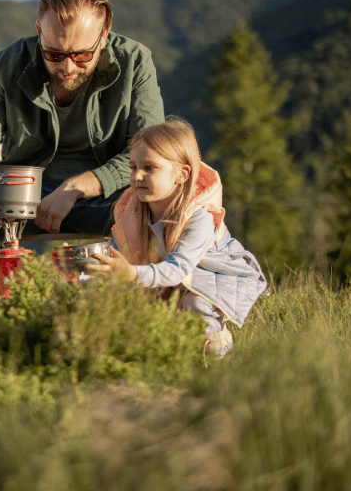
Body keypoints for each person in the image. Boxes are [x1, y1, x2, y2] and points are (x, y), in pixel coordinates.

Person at [0, 0, 164, 284]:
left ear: (103, 34)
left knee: (162, 196)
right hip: (24, 199)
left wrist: (78, 186)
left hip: (109, 200)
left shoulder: (135, 61)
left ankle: (143, 298)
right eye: (53, 54)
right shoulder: (5, 67)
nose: (67, 68)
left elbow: (150, 150)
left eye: (81, 56)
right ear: (39, 30)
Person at [89, 117, 268, 358]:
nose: (137, 176)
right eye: (133, 167)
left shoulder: (199, 217)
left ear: (182, 175)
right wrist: (85, 263)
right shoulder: (134, 210)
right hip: (168, 273)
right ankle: (156, 354)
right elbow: (117, 250)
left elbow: (179, 270)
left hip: (209, 276)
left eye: (149, 168)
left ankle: (215, 350)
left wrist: (131, 273)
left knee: (195, 305)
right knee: (128, 305)